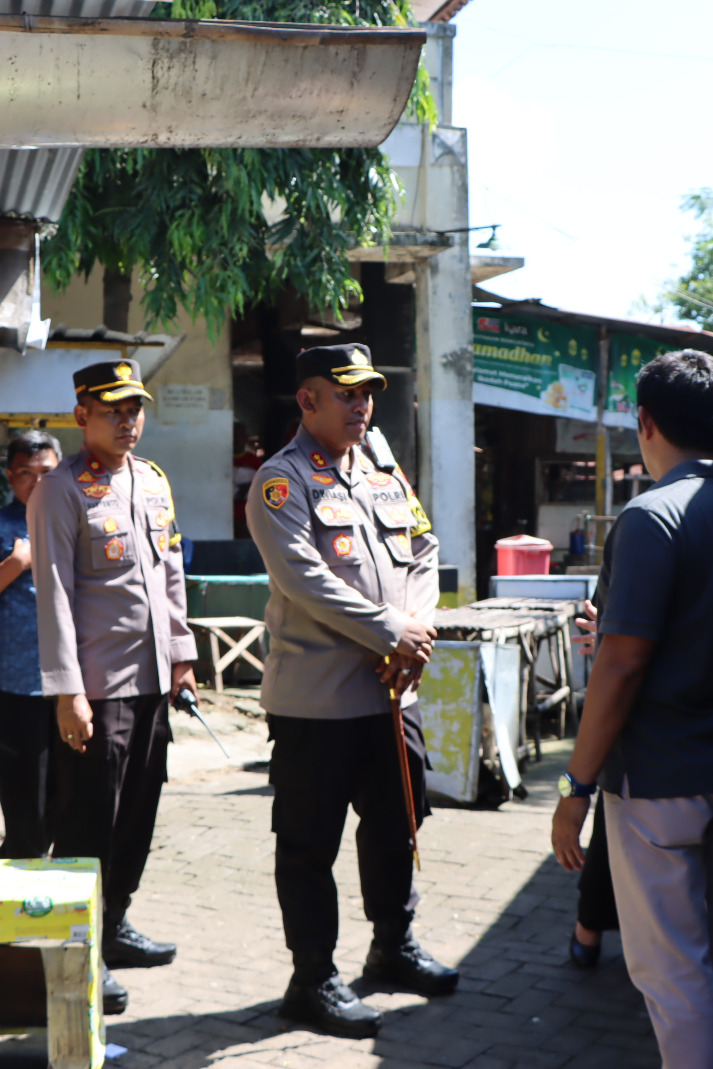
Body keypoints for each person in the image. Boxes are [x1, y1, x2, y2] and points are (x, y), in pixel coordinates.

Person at [551, 350, 713, 1069]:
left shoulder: (651, 518)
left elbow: (621, 667)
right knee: (712, 948)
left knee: (670, 972)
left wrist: (573, 788)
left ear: (643, 422)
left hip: (656, 776)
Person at [245, 342, 454, 1040]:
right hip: (320, 701)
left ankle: (392, 944)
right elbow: (304, 578)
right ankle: (312, 978)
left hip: (393, 692)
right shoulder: (281, 482)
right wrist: (394, 632)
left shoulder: (382, 470)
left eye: (368, 392)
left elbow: (424, 550)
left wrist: (416, 627)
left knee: (399, 825)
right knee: (309, 844)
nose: (362, 403)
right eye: (347, 392)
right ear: (308, 400)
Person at [30, 358, 198, 1016]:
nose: (128, 420)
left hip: (153, 678)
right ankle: (82, 949)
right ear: (81, 416)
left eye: (135, 409)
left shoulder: (152, 481)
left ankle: (116, 921)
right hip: (97, 686)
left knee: (139, 812)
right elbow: (54, 594)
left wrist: (183, 655)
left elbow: (172, 572)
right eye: (113, 410)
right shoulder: (61, 489)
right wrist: (67, 690)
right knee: (87, 820)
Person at [0, 430, 61, 859]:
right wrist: (17, 562)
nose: (36, 483)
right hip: (12, 686)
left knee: (61, 807)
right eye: (26, 474)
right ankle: (9, 908)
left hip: (71, 685)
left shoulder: (75, 519)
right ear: (8, 476)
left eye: (47, 473)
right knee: (26, 814)